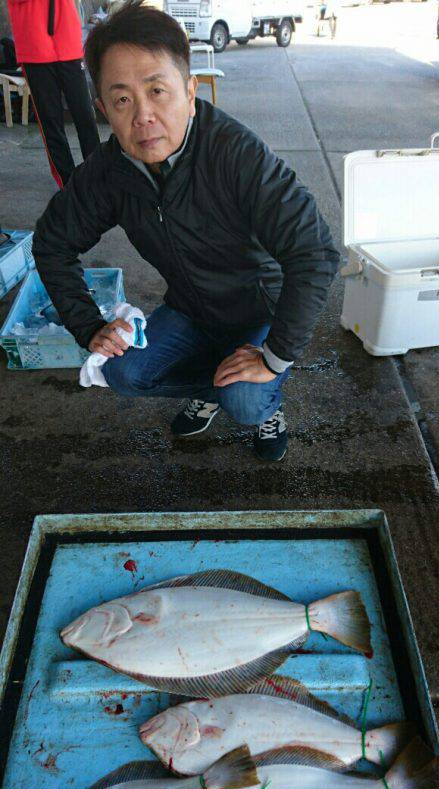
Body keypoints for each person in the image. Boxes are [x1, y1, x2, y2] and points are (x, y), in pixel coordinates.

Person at [32, 1, 339, 462]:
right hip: (191, 308)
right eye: (122, 100)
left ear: (191, 90)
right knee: (122, 372)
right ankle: (217, 386)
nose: (143, 116)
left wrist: (275, 355)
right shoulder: (109, 171)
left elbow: (315, 251)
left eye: (158, 90)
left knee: (247, 402)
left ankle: (263, 397)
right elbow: (52, 243)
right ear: (102, 110)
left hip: (259, 311)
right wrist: (88, 325)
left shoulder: (236, 154)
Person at [7, 0, 100, 187]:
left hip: (68, 43)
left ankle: (97, 177)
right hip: (35, 47)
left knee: (85, 116)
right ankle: (68, 183)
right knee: (51, 123)